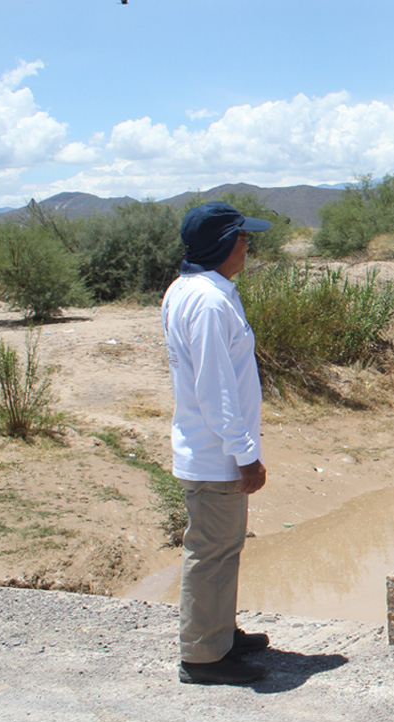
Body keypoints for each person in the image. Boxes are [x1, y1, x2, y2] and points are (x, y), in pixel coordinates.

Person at [162, 201, 271, 685]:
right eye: (244, 237)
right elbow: (215, 388)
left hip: (211, 451)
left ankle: (218, 631)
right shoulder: (207, 301)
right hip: (215, 455)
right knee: (211, 553)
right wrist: (246, 455)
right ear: (225, 245)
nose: (249, 245)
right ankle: (203, 657)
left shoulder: (198, 291)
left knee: (222, 550)